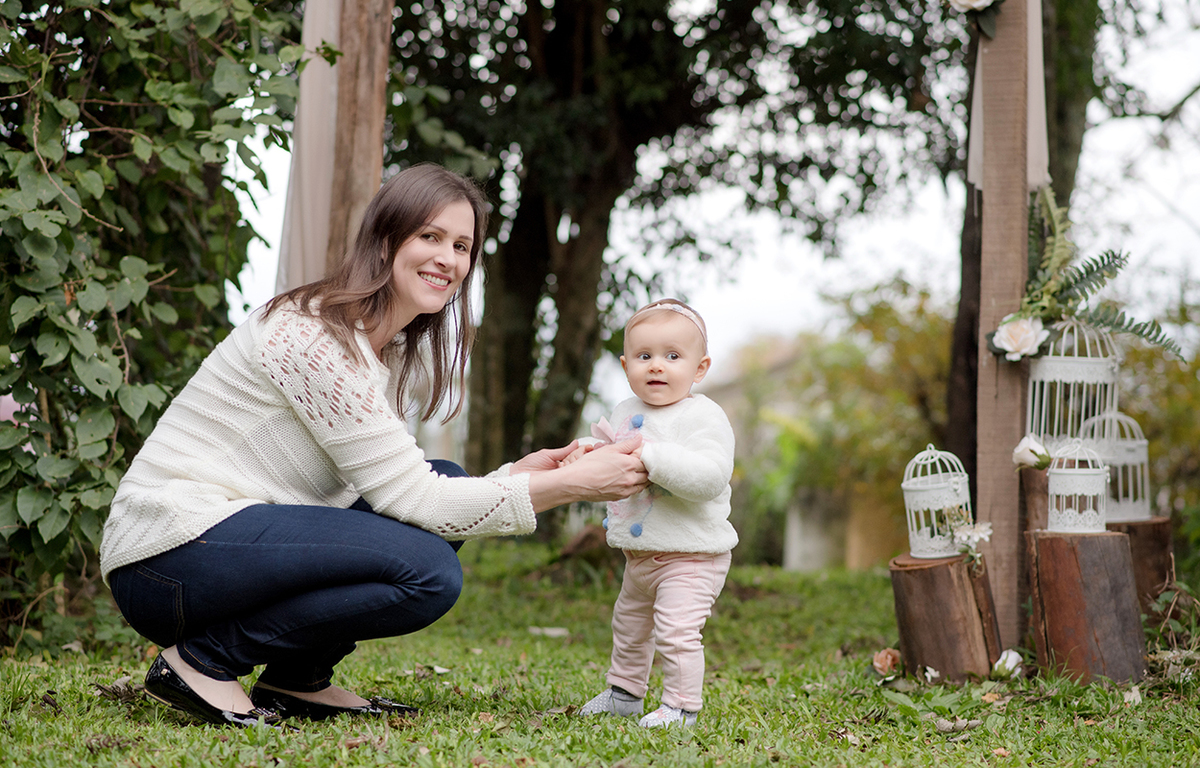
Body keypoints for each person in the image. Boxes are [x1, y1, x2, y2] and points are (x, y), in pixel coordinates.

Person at [99, 164, 649, 727]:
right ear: (386, 240)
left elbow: (401, 484)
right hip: (168, 556)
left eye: (461, 246)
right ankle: (204, 661)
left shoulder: (379, 350)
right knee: (430, 572)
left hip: (227, 541)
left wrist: (517, 475)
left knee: (449, 474)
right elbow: (414, 500)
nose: (448, 259)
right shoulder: (312, 336)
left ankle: (296, 680)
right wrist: (564, 486)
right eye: (429, 236)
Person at [574, 299, 737, 729]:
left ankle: (682, 707)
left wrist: (651, 456)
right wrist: (589, 455)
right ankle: (625, 693)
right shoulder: (626, 412)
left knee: (676, 631)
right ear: (627, 365)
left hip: (691, 555)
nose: (657, 367)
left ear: (699, 368)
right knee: (629, 625)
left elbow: (711, 478)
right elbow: (615, 458)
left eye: (672, 356)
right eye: (644, 357)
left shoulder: (703, 415)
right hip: (641, 556)